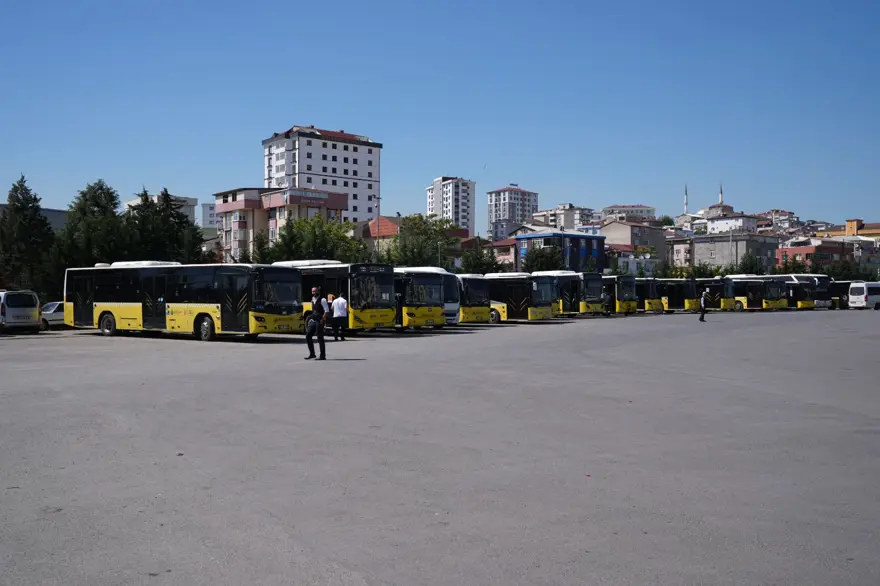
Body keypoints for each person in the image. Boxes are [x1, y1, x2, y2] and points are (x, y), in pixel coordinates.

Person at [305, 286, 329, 360]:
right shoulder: (312, 299)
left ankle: (322, 355)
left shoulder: (323, 299)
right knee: (308, 336)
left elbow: (326, 310)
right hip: (313, 320)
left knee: (320, 338)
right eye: (313, 291)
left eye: (315, 291)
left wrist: (323, 320)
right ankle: (312, 354)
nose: (314, 293)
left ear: (318, 291)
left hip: (320, 320)